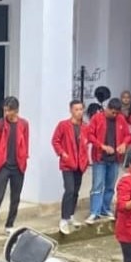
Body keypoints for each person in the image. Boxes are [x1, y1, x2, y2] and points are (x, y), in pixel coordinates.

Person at [0, 97, 29, 240]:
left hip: (18, 166)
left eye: (8, 110)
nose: (6, 113)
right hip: (4, 166)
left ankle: (9, 225)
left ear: (15, 110)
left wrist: (24, 157)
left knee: (15, 198)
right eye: (5, 110)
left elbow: (26, 141)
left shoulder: (24, 124)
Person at [85, 98, 131, 223]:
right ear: (108, 109)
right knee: (97, 185)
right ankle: (94, 212)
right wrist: (102, 146)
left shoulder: (121, 119)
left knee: (110, 186)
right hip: (100, 158)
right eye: (113, 113)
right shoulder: (97, 118)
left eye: (117, 113)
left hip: (115, 158)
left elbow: (128, 135)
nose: (115, 115)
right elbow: (90, 135)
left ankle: (105, 208)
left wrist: (123, 144)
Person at [51, 99, 90, 234]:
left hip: (80, 163)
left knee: (76, 191)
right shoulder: (63, 125)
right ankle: (64, 218)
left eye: (81, 109)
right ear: (71, 110)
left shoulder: (85, 127)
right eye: (76, 109)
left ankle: (71, 215)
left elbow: (89, 141)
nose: (79, 112)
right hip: (68, 163)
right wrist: (62, 153)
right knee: (69, 190)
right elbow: (55, 140)